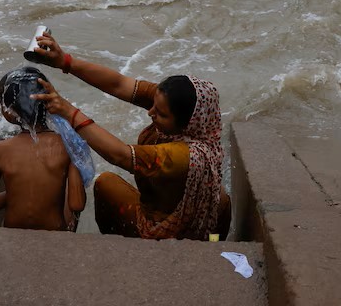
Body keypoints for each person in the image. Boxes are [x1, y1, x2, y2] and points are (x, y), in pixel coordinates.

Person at [28, 33, 230, 241]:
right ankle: (212, 244)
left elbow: (121, 156)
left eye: (160, 114)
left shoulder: (183, 156)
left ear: (186, 124)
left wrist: (68, 111)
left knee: (105, 182)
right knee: (220, 198)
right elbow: (119, 84)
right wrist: (65, 61)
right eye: (153, 105)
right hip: (184, 209)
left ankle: (130, 248)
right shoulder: (197, 117)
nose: (150, 113)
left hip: (163, 229)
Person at [0, 67, 86, 231]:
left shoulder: (0, 149)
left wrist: (15, 193)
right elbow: (77, 204)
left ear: (10, 111)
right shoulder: (66, 144)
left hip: (14, 236)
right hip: (54, 236)